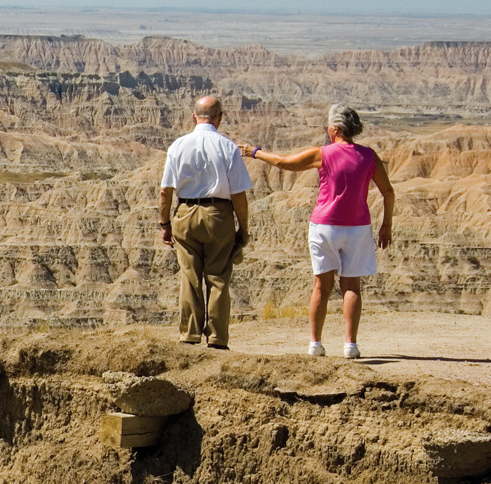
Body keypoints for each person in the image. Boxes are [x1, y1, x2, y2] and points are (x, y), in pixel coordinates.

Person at [239, 104, 394, 358]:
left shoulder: (323, 153)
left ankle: (315, 344)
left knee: (321, 285)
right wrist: (386, 224)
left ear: (334, 129)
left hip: (324, 226)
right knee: (352, 286)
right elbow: (388, 192)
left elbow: (282, 162)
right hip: (357, 228)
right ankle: (351, 346)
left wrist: (254, 152)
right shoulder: (369, 156)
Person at [159, 96, 252, 348]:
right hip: (218, 214)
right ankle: (217, 338)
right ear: (220, 117)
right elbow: (238, 194)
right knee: (218, 277)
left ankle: (189, 334)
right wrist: (243, 228)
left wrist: (165, 223)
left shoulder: (178, 146)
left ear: (193, 116)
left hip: (186, 213)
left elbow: (166, 190)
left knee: (189, 277)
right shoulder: (228, 147)